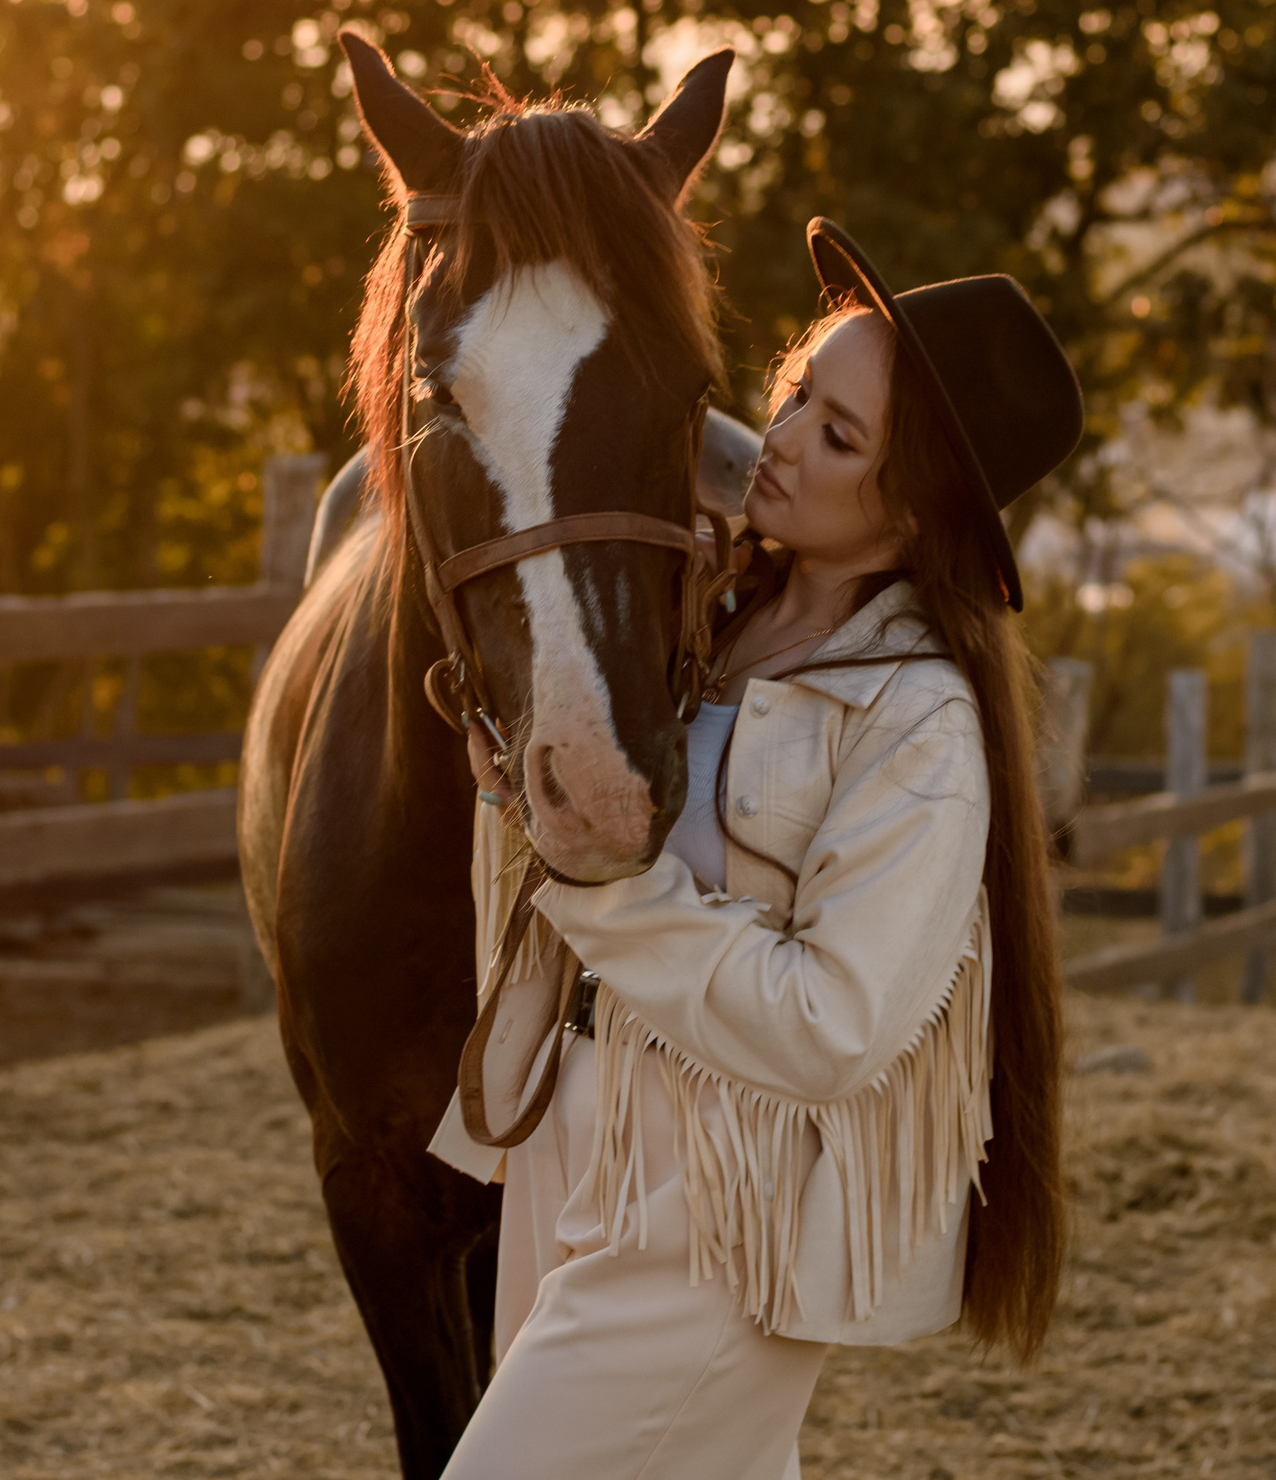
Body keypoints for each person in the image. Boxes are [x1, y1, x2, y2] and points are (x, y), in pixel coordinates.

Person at [430, 218, 1083, 1480]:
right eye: (795, 396)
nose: (776, 440)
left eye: (837, 437)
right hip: (574, 1142)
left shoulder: (918, 725)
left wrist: (602, 887)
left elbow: (833, 1025)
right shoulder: (701, 614)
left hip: (726, 1222)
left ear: (914, 510)